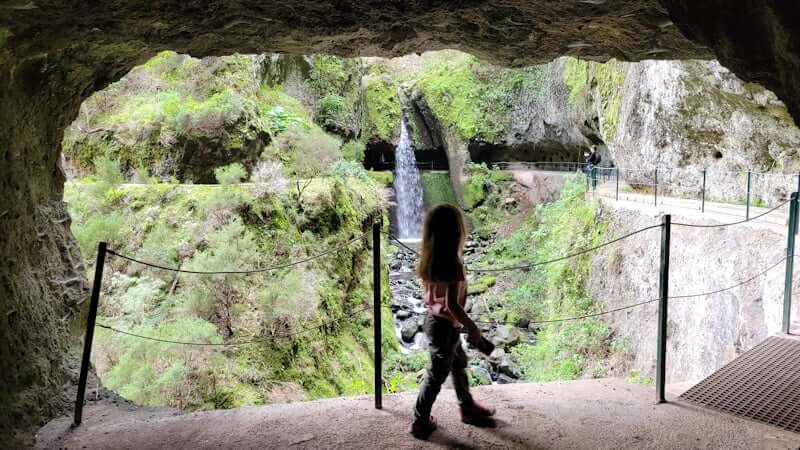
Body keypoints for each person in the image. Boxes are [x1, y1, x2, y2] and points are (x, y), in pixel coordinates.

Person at [409, 204, 495, 439]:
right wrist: (473, 329)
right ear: (456, 232)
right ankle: (420, 420)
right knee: (436, 375)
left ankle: (467, 406)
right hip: (446, 326)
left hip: (433, 322)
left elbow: (435, 300)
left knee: (458, 364)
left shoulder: (429, 260)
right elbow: (452, 305)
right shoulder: (454, 263)